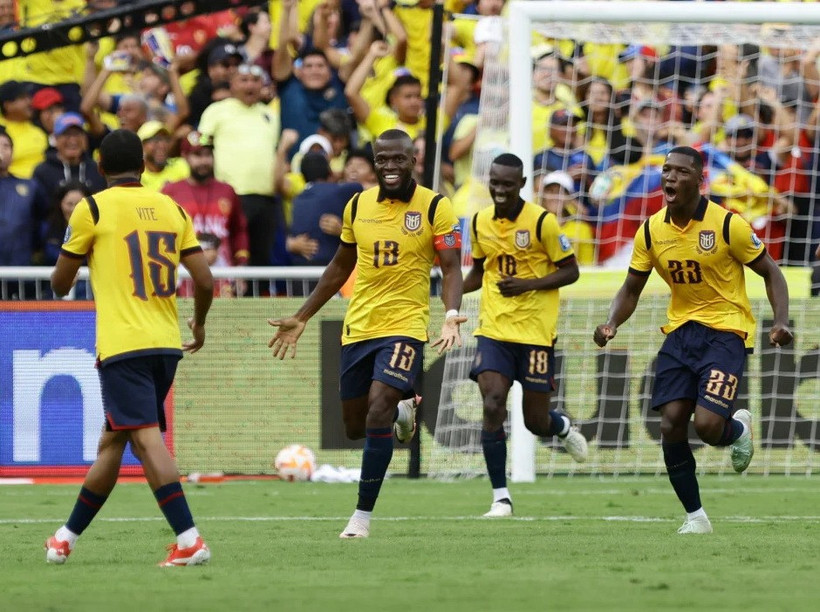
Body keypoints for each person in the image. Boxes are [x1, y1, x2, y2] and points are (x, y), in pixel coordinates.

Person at [268, 129, 467, 539]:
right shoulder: (357, 204)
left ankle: (361, 516)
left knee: (377, 407)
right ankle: (402, 411)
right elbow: (340, 267)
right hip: (359, 326)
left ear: (413, 160)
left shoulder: (435, 207)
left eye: (398, 159)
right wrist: (303, 316)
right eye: (383, 160)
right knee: (357, 426)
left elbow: (450, 267)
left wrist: (450, 313)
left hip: (406, 326)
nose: (390, 167)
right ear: (374, 162)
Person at [593, 146, 792, 535]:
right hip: (680, 333)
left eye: (681, 172)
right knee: (669, 425)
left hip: (726, 332)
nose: (670, 178)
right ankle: (695, 517)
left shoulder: (727, 224)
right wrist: (611, 322)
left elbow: (772, 272)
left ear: (699, 180)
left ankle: (737, 431)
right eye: (666, 171)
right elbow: (631, 287)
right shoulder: (651, 230)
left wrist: (780, 321)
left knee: (707, 426)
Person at [46, 129, 214, 566]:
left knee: (145, 439)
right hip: (165, 342)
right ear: (143, 166)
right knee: (113, 442)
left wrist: (86, 254)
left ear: (99, 167)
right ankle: (65, 537)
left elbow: (60, 284)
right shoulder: (172, 207)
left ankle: (190, 539)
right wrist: (198, 323)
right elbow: (205, 280)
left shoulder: (93, 207)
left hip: (123, 345)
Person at [463, 153, 588, 518]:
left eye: (507, 184)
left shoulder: (543, 223)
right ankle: (501, 497)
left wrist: (529, 285)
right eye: (495, 183)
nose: (499, 190)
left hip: (535, 331)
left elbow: (571, 271)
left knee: (536, 422)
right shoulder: (480, 221)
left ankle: (561, 427)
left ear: (521, 185)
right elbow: (478, 271)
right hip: (494, 328)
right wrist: (451, 297)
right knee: (492, 402)